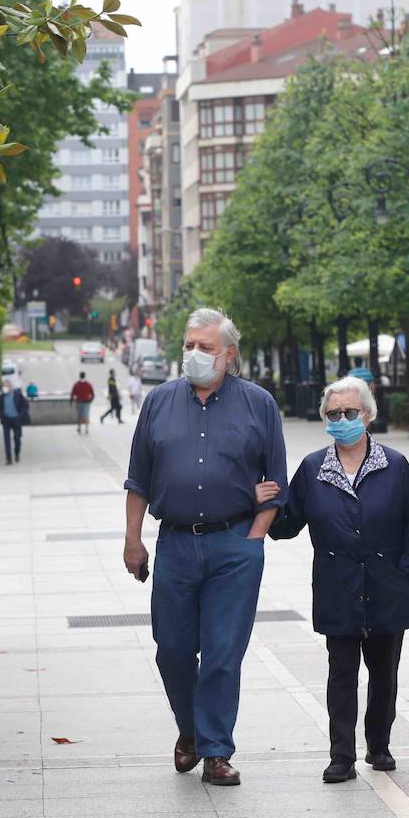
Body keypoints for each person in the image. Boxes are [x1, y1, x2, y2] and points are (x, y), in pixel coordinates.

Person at [123, 308, 287, 787]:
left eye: (206, 347)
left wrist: (253, 540)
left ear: (228, 354)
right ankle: (189, 730)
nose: (195, 354)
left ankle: (215, 751)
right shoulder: (158, 402)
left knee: (221, 654)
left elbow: (275, 482)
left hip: (234, 546)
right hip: (174, 543)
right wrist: (133, 540)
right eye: (190, 344)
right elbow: (138, 479)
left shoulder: (258, 404)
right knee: (171, 650)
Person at [259, 376, 409, 784]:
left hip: (387, 586)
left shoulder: (395, 465)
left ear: (367, 416)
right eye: (333, 414)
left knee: (384, 672)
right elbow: (287, 526)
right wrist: (266, 505)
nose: (341, 420)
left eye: (349, 413)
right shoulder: (314, 468)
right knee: (341, 673)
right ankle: (341, 755)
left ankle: (379, 744)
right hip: (337, 586)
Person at [0, 380, 30, 465]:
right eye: (4, 386)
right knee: (6, 440)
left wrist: (20, 416)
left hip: (16, 419)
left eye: (7, 386)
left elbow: (25, 405)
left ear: (11, 387)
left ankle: (17, 453)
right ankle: (9, 459)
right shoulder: (1, 397)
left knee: (17, 438)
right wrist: (1, 415)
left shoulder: (17, 395)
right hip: (6, 420)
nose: (5, 388)